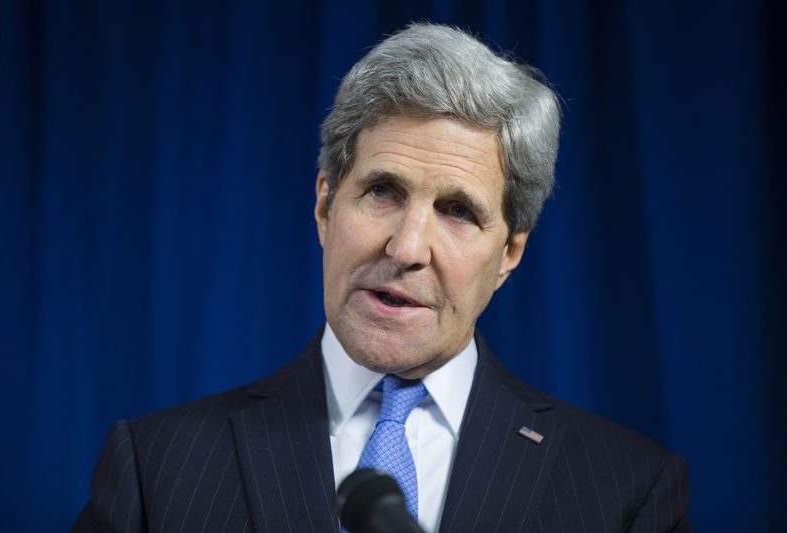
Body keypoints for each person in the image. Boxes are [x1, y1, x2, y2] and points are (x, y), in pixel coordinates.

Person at [73, 23, 691, 533]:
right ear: (324, 207)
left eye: (457, 211)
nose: (406, 247)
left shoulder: (627, 492)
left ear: (510, 254)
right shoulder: (156, 470)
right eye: (383, 192)